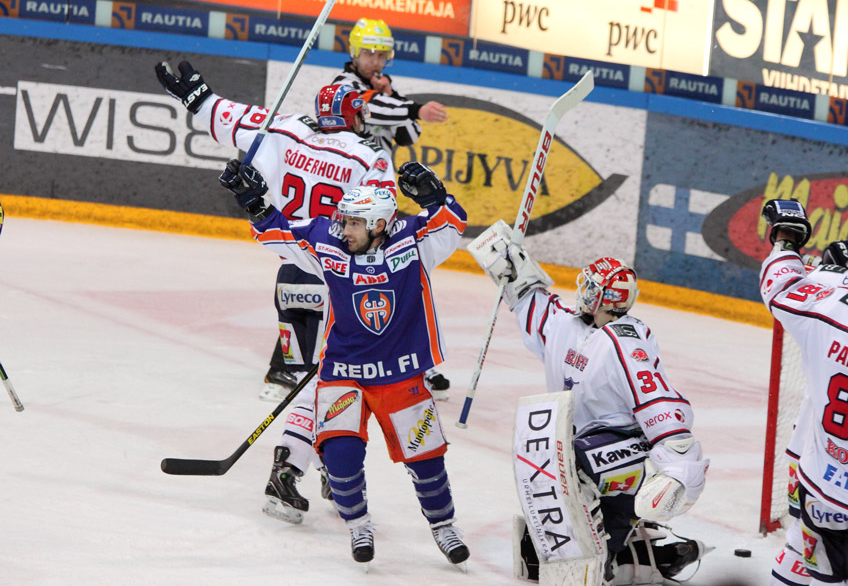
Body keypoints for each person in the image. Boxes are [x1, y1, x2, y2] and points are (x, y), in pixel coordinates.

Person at [154, 61, 396, 523]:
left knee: (311, 373)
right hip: (334, 276)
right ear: (350, 116)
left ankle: (316, 462)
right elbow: (382, 219)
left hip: (288, 267)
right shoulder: (368, 155)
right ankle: (302, 467)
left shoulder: (283, 129)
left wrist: (197, 98)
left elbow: (228, 118)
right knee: (338, 381)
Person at [219, 158, 470, 569]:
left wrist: (434, 195)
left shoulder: (413, 242)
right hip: (343, 372)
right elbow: (280, 235)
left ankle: (443, 526)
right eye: (343, 220)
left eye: (354, 223)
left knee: (426, 460)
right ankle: (358, 525)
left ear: (378, 225)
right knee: (340, 454)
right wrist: (253, 200)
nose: (343, 229)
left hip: (401, 372)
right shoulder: (328, 243)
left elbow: (451, 223)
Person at [468, 220, 710, 584]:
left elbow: (655, 395)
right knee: (564, 474)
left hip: (627, 445)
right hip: (582, 438)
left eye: (591, 288)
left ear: (606, 301)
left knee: (575, 467)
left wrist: (677, 461)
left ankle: (609, 553)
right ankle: (640, 554)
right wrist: (511, 267)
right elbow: (531, 300)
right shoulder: (568, 324)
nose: (582, 292)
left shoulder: (626, 342)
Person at [333, 18, 452, 399]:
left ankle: (420, 359)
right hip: (352, 204)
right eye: (370, 52)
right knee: (349, 280)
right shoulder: (343, 87)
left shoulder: (381, 88)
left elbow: (408, 134)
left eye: (382, 53)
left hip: (381, 201)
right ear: (354, 52)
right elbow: (376, 111)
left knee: (402, 274)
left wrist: (395, 97)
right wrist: (409, 105)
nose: (377, 60)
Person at [761, 200, 848, 586]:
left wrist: (786, 237)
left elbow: (779, 285)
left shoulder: (824, 305)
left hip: (821, 482)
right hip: (820, 476)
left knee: (800, 547)